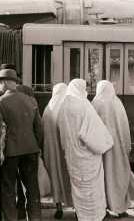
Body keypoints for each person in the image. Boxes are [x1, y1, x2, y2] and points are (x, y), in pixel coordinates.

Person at [57, 79, 113, 221]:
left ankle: (80, 215)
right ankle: (94, 217)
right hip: (87, 157)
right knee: (92, 189)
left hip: (71, 156)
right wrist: (106, 143)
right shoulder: (83, 105)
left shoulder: (63, 106)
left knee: (78, 188)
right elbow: (93, 134)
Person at [0, 68, 43, 221]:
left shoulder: (1, 102)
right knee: (32, 187)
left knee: (8, 188)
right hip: (30, 149)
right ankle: (35, 218)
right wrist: (37, 147)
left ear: (4, 82)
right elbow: (39, 127)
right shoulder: (31, 100)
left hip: (10, 153)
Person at [92, 80, 134, 218]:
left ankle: (104, 208)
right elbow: (125, 128)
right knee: (119, 176)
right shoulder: (117, 103)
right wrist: (127, 147)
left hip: (101, 149)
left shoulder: (95, 103)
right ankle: (120, 207)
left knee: (103, 179)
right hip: (117, 148)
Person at [42, 83, 72, 219]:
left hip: (51, 152)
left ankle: (59, 207)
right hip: (65, 150)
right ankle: (75, 207)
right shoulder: (66, 107)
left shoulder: (47, 109)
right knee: (69, 177)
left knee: (55, 177)